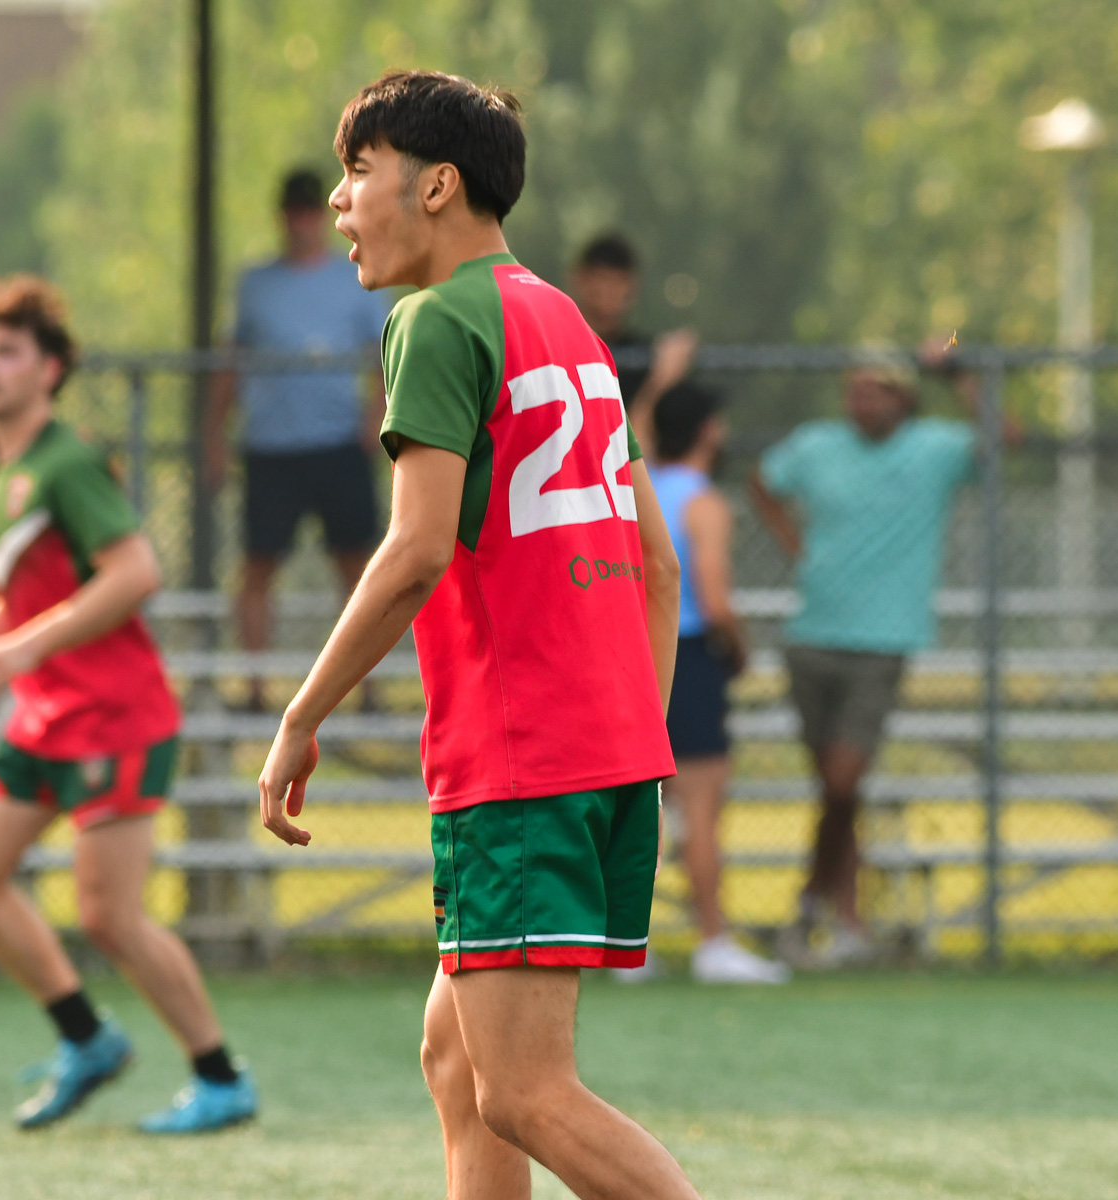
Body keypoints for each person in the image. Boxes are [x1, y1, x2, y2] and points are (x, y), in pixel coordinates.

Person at [257, 71, 701, 1200]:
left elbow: (411, 554)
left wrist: (301, 717)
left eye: (361, 172)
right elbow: (657, 565)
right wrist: (628, 741)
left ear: (437, 184)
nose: (346, 203)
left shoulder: (435, 319)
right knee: (459, 1064)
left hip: (520, 763)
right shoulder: (568, 323)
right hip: (605, 753)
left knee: (523, 1091)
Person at [0, 275, 256, 1133]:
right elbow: (17, 599)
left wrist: (21, 648)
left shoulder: (67, 461)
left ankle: (220, 1077)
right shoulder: (4, 476)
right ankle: (87, 1038)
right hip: (43, 713)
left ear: (50, 369)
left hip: (114, 715)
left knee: (110, 917)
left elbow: (136, 574)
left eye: (7, 352)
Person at [750, 367, 974, 967]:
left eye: (876, 389)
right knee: (835, 791)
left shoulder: (935, 449)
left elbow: (1004, 437)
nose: (861, 400)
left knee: (843, 784)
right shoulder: (817, 443)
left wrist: (962, 377)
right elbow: (761, 481)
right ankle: (846, 921)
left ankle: (806, 905)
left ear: (903, 399)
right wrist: (796, 545)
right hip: (811, 635)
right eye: (854, 388)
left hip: (882, 641)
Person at [206, 167, 394, 711]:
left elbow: (382, 360)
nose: (304, 221)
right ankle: (258, 687)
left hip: (338, 444)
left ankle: (368, 688)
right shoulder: (256, 284)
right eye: (295, 211)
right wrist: (214, 434)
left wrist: (376, 417)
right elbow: (229, 363)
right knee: (259, 566)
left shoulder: (353, 279)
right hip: (271, 448)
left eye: (313, 210)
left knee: (357, 565)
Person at [642, 382, 789, 984]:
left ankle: (630, 947)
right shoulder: (704, 503)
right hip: (692, 657)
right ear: (710, 431)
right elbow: (716, 600)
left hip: (634, 656)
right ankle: (713, 940)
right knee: (700, 809)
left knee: (637, 810)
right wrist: (741, 652)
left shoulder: (637, 487)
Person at [569, 232, 699, 453]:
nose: (607, 294)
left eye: (617, 282)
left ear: (633, 286)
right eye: (601, 280)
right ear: (579, 279)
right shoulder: (558, 347)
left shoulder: (647, 357)